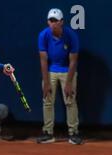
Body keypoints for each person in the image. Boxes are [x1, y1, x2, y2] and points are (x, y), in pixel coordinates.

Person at [37, 8, 83, 145]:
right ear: (48, 22)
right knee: (47, 101)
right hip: (51, 71)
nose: (53, 23)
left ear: (62, 22)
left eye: (56, 21)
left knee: (70, 101)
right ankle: (48, 133)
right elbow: (43, 60)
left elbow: (73, 60)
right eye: (51, 21)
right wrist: (46, 82)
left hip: (67, 71)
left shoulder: (71, 36)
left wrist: (69, 82)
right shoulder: (43, 35)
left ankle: (73, 132)